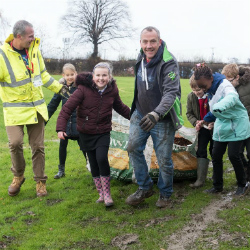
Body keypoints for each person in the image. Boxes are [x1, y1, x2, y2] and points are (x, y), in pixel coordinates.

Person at [0, 20, 70, 197]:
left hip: (36, 108)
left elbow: (43, 75)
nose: (34, 38)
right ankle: (18, 176)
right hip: (14, 111)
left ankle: (40, 182)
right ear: (19, 36)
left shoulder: (34, 50)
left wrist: (59, 88)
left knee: (38, 146)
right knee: (15, 144)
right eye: (30, 36)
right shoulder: (2, 55)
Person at [56, 62, 130, 207]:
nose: (101, 78)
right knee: (93, 162)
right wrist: (60, 128)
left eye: (104, 75)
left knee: (102, 158)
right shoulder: (83, 89)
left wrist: (135, 117)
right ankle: (100, 193)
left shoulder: (112, 91)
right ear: (93, 76)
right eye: (98, 75)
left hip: (103, 132)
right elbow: (67, 109)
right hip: (86, 133)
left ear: (109, 76)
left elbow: (120, 107)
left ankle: (108, 195)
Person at [125, 26, 183, 208]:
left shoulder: (169, 62)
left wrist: (157, 113)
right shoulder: (140, 56)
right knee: (133, 147)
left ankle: (165, 194)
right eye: (145, 41)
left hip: (163, 118)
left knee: (164, 159)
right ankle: (145, 187)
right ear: (140, 42)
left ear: (159, 41)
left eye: (152, 41)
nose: (148, 46)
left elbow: (171, 93)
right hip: (140, 113)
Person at [194, 63, 250, 195]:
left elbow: (232, 97)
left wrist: (219, 106)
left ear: (211, 79)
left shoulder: (225, 85)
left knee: (233, 155)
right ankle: (217, 186)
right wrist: (204, 120)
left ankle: (243, 184)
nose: (202, 89)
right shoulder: (211, 89)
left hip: (237, 123)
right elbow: (214, 109)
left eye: (203, 86)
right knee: (216, 154)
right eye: (200, 87)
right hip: (223, 123)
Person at [47, 63, 86, 179]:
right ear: (63, 75)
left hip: (79, 123)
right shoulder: (61, 89)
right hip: (65, 124)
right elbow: (52, 105)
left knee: (84, 146)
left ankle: (91, 165)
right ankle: (61, 170)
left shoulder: (80, 88)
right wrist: (43, 121)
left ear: (76, 74)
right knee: (62, 146)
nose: (70, 77)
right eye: (67, 75)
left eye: (72, 74)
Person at [221, 64, 250, 181]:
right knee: (236, 153)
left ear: (237, 77)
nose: (227, 84)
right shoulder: (229, 88)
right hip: (238, 125)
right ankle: (245, 171)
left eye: (230, 80)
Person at [186, 74, 213, 188]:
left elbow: (218, 111)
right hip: (201, 129)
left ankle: (216, 177)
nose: (196, 92)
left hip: (213, 128)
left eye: (198, 89)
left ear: (204, 87)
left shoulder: (211, 96)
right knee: (201, 150)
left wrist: (213, 123)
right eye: (193, 90)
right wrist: (196, 122)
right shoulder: (191, 97)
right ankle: (200, 180)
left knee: (214, 151)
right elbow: (189, 113)